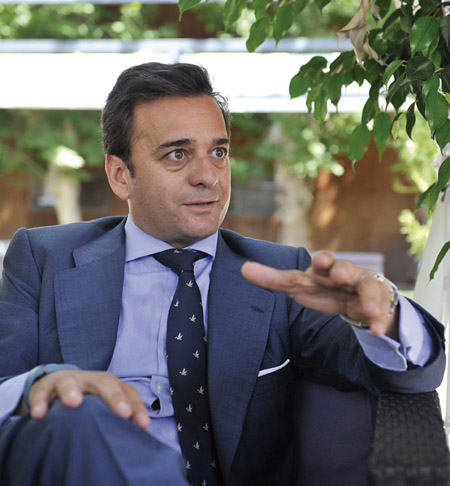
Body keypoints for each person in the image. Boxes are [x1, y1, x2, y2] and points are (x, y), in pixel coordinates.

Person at [0, 62, 445, 486]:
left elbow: (407, 377)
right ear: (120, 176)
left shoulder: (281, 274)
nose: (208, 177)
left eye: (218, 152)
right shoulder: (43, 259)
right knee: (80, 414)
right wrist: (42, 384)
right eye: (177, 154)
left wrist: (382, 316)